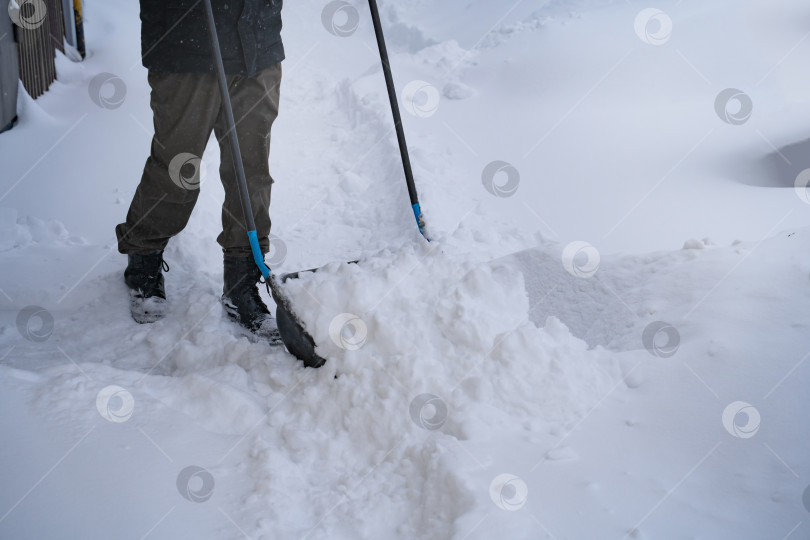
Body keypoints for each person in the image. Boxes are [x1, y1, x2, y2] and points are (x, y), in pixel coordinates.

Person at [115, 0, 284, 341]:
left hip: (256, 40)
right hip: (186, 44)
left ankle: (241, 279)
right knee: (179, 166)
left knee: (251, 169)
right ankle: (143, 255)